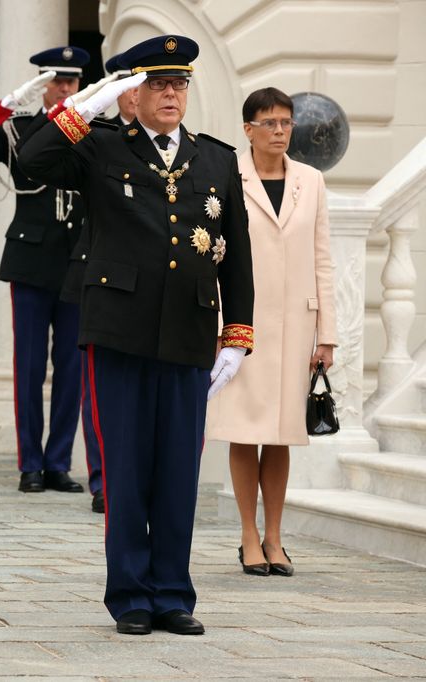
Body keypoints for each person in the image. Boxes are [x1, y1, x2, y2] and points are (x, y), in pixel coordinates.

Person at [18, 34, 255, 636]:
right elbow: (30, 162)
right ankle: (129, 595)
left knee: (178, 470)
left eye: (179, 85)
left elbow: (238, 257)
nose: (171, 94)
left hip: (188, 332)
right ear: (135, 91)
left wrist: (237, 333)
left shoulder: (217, 159)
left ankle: (173, 592)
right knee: (125, 468)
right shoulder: (100, 148)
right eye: (157, 84)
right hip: (119, 331)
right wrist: (89, 106)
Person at [206, 87, 337, 578]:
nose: (280, 131)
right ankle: (247, 536)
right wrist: (217, 327)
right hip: (242, 324)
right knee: (244, 431)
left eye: (286, 123)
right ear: (249, 129)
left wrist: (327, 335)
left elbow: (323, 258)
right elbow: (214, 254)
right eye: (270, 123)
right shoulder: (226, 176)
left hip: (297, 327)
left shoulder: (312, 181)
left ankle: (275, 538)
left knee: (281, 435)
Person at [0, 46, 91, 495]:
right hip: (32, 260)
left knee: (71, 369)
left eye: (72, 82)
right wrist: (7, 104)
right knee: (29, 367)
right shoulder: (20, 130)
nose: (65, 89)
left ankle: (58, 463)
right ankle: (30, 463)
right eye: (58, 81)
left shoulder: (90, 130)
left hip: (77, 262)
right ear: (43, 84)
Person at [55, 51, 137, 513]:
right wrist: (86, 106)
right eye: (121, 87)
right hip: (98, 272)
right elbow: (40, 156)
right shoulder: (97, 138)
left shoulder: (178, 144)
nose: (129, 95)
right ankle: (104, 479)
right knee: (97, 387)